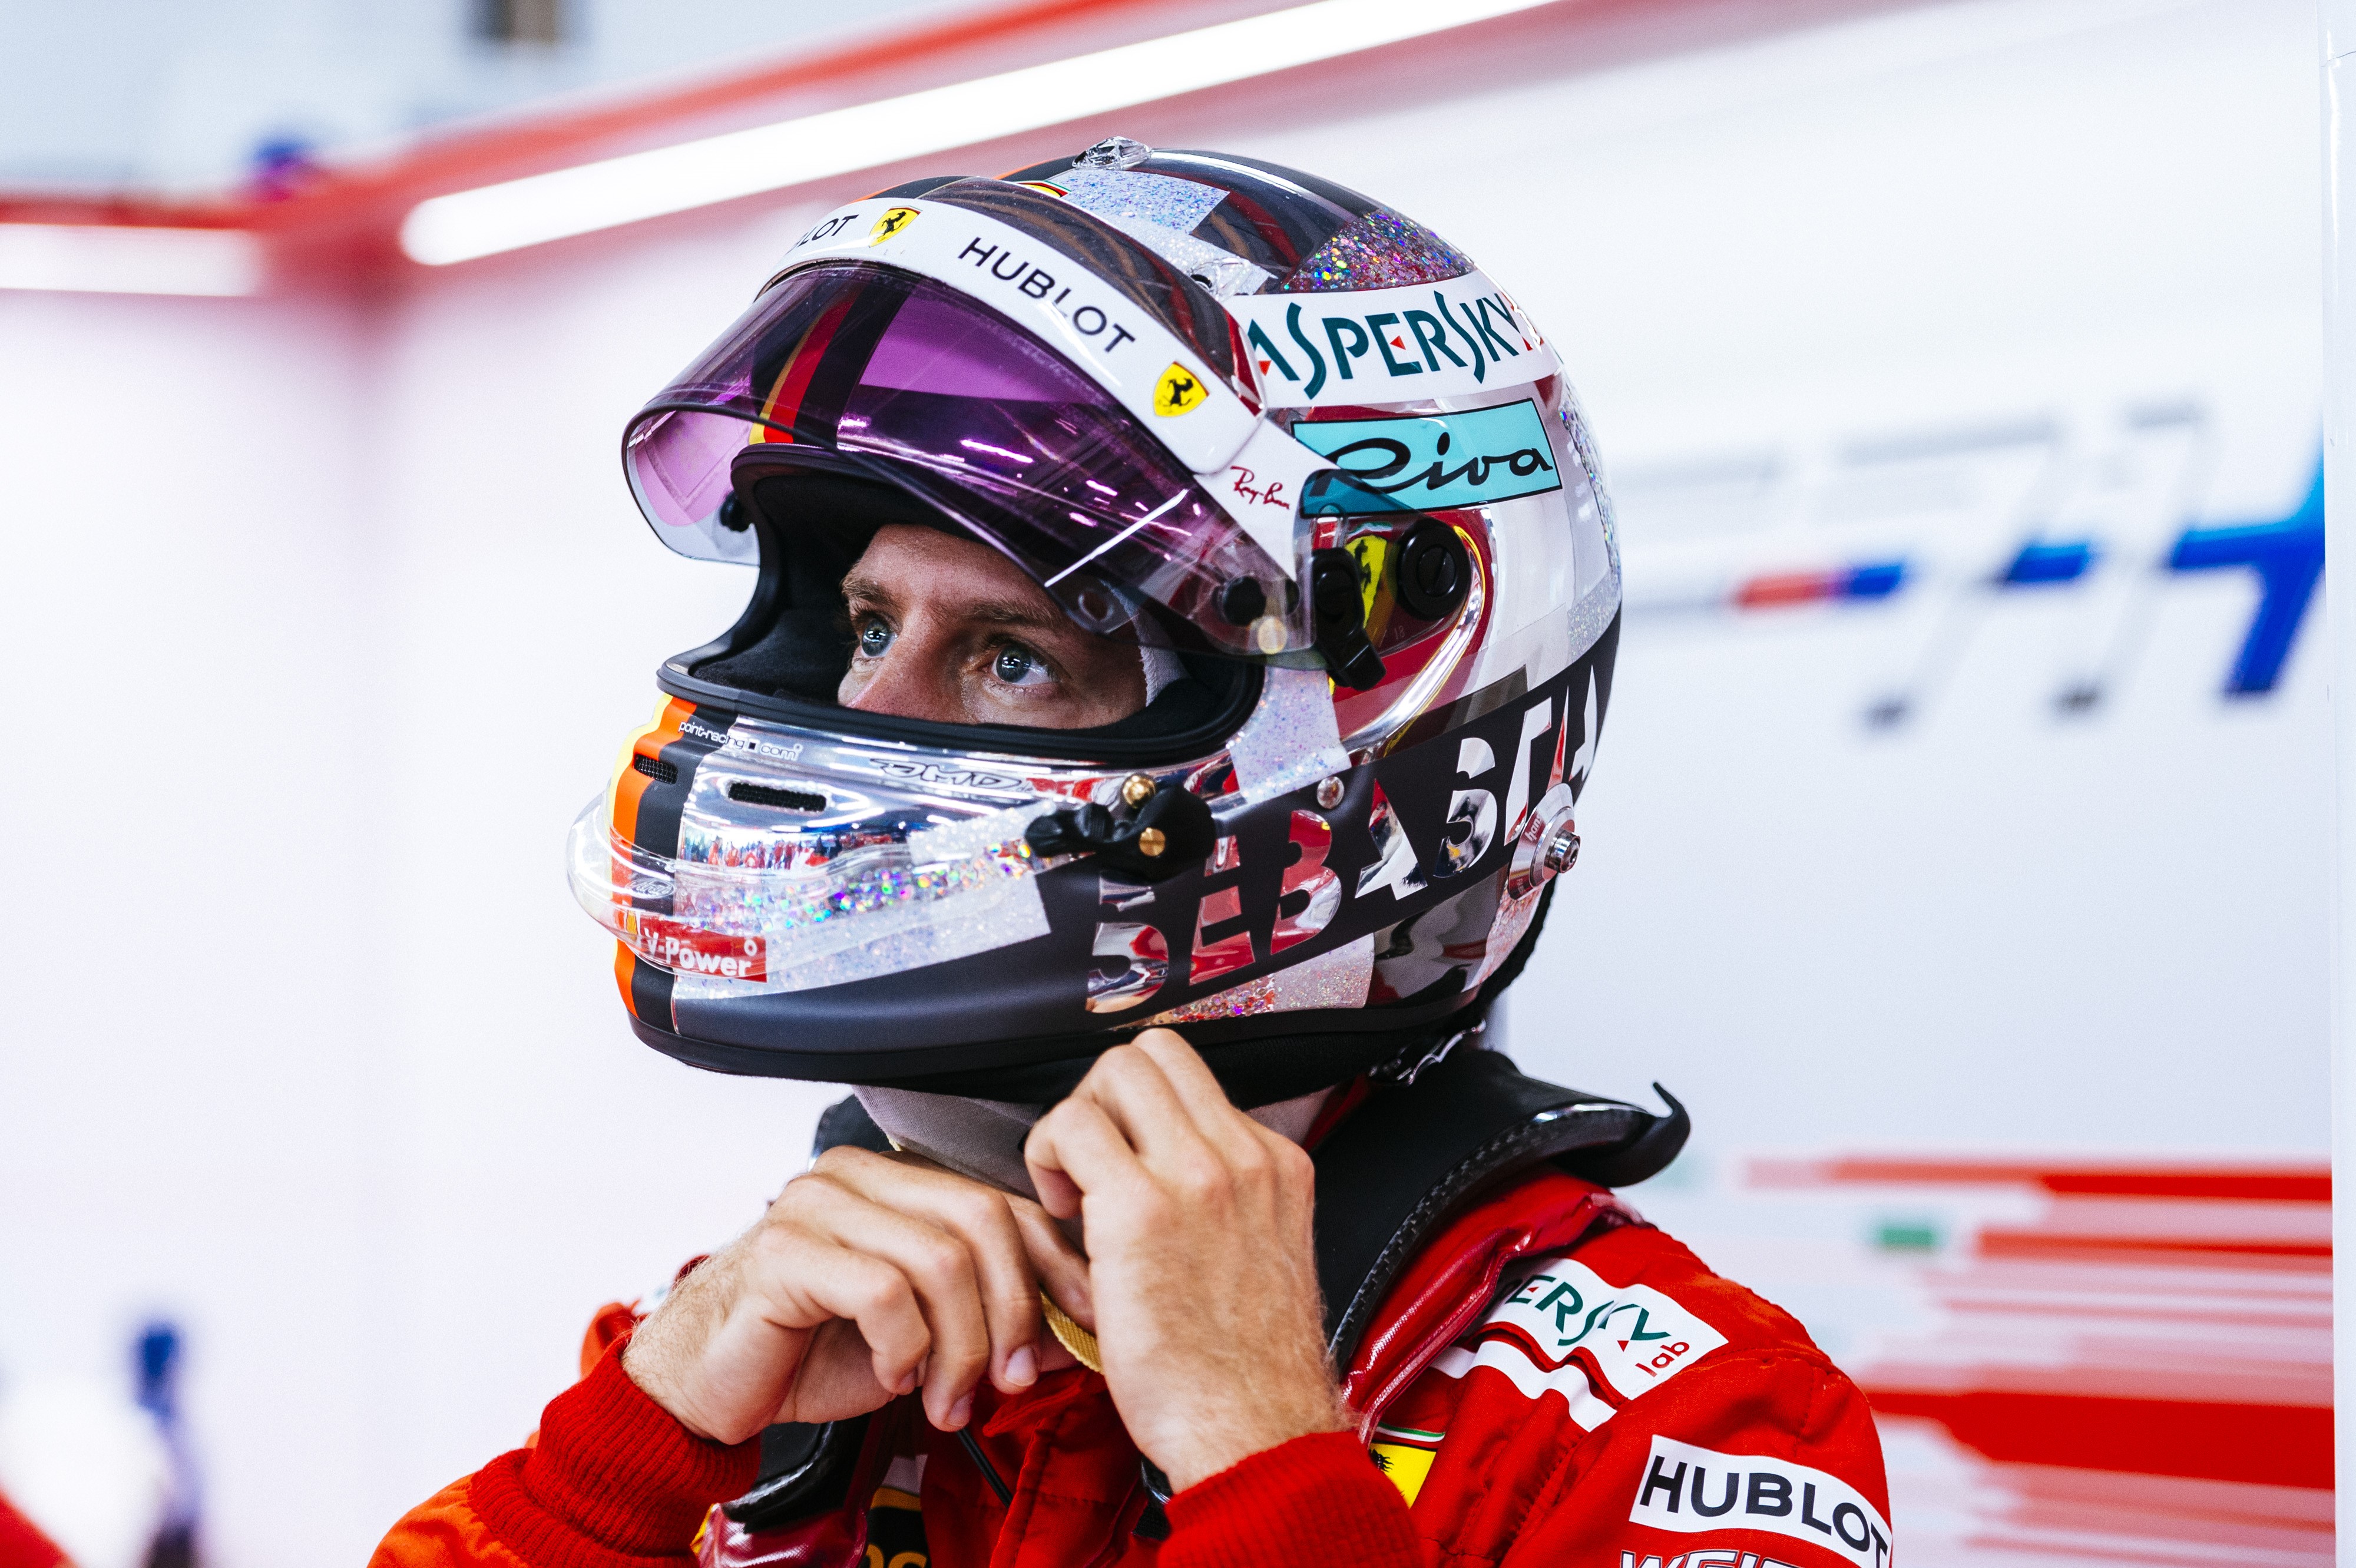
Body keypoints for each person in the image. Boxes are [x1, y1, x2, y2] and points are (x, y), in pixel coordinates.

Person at [375, 141, 1890, 1568]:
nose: (864, 714)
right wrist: (625, 1456)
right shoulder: (765, 1356)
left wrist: (1260, 1455)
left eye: (1011, 654)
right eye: (863, 626)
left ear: (1353, 734)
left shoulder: (1664, 1423)